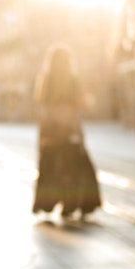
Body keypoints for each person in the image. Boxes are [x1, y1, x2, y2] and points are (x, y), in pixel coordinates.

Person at [32, 43, 101, 220]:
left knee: (51, 164)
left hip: (51, 128)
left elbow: (40, 101)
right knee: (76, 164)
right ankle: (74, 202)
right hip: (70, 126)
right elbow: (80, 102)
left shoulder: (46, 78)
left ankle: (50, 201)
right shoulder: (74, 79)